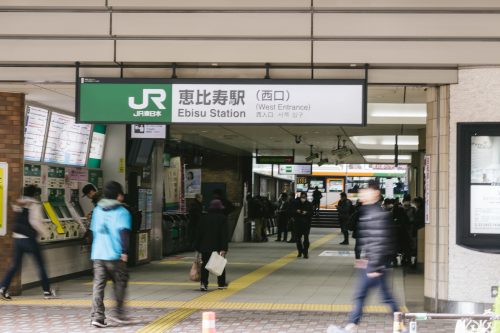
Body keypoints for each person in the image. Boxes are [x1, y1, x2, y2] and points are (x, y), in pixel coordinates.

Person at [332, 180, 399, 332]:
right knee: (368, 296)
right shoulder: (369, 211)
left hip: (375, 264)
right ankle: (351, 326)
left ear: (375, 193)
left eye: (365, 191)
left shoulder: (377, 213)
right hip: (371, 262)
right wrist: (363, 260)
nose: (362, 194)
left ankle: (401, 326)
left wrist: (374, 265)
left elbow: (380, 241)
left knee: (380, 297)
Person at [0, 185, 57, 301]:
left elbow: (16, 211)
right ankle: (47, 291)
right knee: (41, 265)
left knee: (14, 266)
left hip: (17, 239)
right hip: (29, 240)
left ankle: (2, 288)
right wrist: (46, 233)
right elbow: (35, 222)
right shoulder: (34, 205)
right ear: (35, 194)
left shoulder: (19, 203)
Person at [90, 181, 132, 328]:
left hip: (98, 253)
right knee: (120, 283)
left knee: (98, 285)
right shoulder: (122, 212)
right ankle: (119, 314)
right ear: (119, 195)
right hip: (115, 255)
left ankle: (98, 317)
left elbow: (94, 231)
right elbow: (124, 233)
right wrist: (124, 252)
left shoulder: (97, 210)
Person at [195, 199, 229, 291]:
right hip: (218, 246)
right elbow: (224, 234)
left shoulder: (204, 217)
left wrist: (197, 246)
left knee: (205, 264)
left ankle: (204, 284)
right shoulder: (222, 218)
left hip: (205, 245)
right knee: (219, 264)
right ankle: (221, 284)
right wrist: (224, 248)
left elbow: (199, 233)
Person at [292, 192, 313, 259]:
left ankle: (305, 252)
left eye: (304, 197)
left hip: (306, 224)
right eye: (302, 197)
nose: (303, 198)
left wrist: (306, 213)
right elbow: (292, 211)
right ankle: (300, 251)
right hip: (298, 224)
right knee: (298, 239)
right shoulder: (296, 204)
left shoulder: (309, 204)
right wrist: (296, 211)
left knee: (306, 239)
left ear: (306, 197)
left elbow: (312, 213)